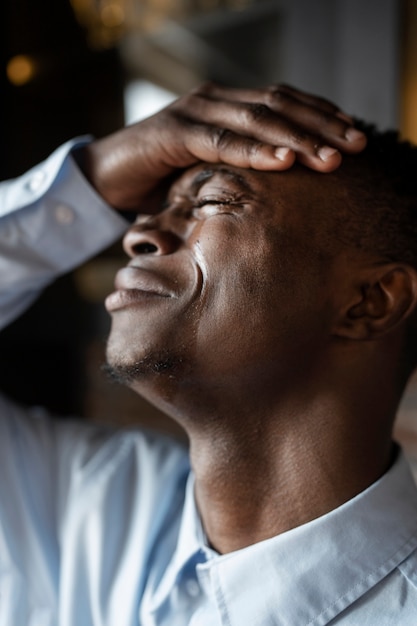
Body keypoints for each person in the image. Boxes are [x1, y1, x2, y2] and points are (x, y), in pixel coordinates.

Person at [1, 82, 416, 625]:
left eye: (213, 202)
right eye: (155, 211)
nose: (138, 234)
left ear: (368, 302)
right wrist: (90, 181)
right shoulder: (84, 504)